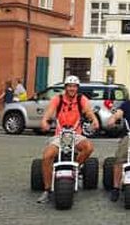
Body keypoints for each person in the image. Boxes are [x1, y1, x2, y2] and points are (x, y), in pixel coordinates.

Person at [36, 76, 98, 204]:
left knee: (89, 147)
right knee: (47, 156)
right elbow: (49, 112)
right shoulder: (57, 99)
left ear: (77, 88)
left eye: (74, 86)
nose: (72, 89)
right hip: (60, 135)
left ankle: (75, 168)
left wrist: (94, 120)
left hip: (75, 135)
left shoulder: (81, 99)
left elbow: (88, 111)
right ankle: (47, 190)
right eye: (69, 86)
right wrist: (44, 121)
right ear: (65, 88)